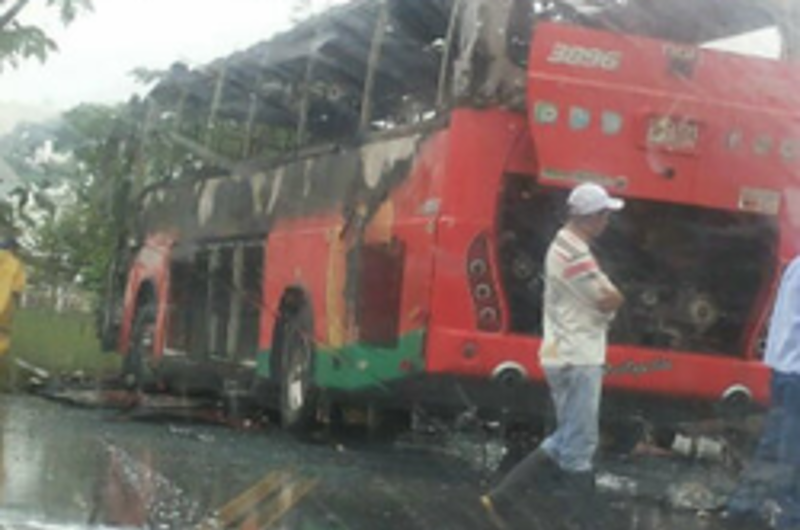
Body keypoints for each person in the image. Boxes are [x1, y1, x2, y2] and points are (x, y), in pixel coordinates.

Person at [482, 183, 625, 527]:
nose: (608, 220)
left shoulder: (570, 245)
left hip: (565, 352)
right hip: (578, 355)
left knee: (566, 437)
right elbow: (608, 299)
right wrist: (615, 300)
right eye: (604, 214)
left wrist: (610, 297)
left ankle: (500, 499)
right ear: (591, 218)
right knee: (579, 444)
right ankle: (586, 522)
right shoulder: (573, 253)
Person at [726, 256, 800, 530]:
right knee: (793, 458)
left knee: (774, 446)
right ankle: (790, 521)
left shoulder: (797, 264)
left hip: (785, 370)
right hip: (796, 373)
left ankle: (743, 510)